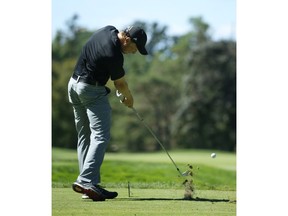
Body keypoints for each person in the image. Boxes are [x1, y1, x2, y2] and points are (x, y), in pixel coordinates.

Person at [67, 25, 148, 201]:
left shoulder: (108, 30)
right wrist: (129, 97)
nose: (135, 52)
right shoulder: (114, 55)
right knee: (101, 136)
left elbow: (105, 70)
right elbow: (120, 84)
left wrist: (121, 92)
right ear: (127, 40)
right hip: (89, 90)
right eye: (135, 48)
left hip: (73, 85)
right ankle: (87, 180)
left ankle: (88, 185)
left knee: (85, 136)